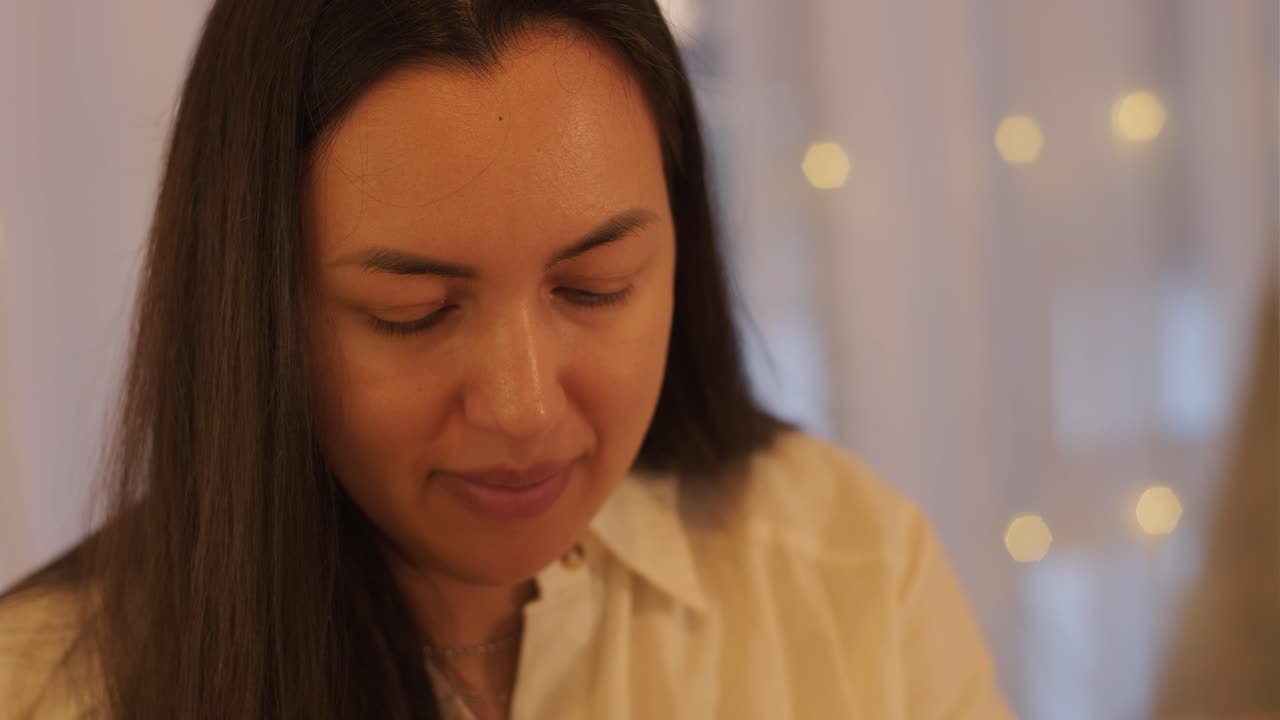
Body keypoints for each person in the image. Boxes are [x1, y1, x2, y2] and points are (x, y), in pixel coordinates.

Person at [0, 1, 1010, 718]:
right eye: (413, 313)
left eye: (594, 287)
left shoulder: (850, 575)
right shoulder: (48, 690)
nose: (522, 407)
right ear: (256, 311)